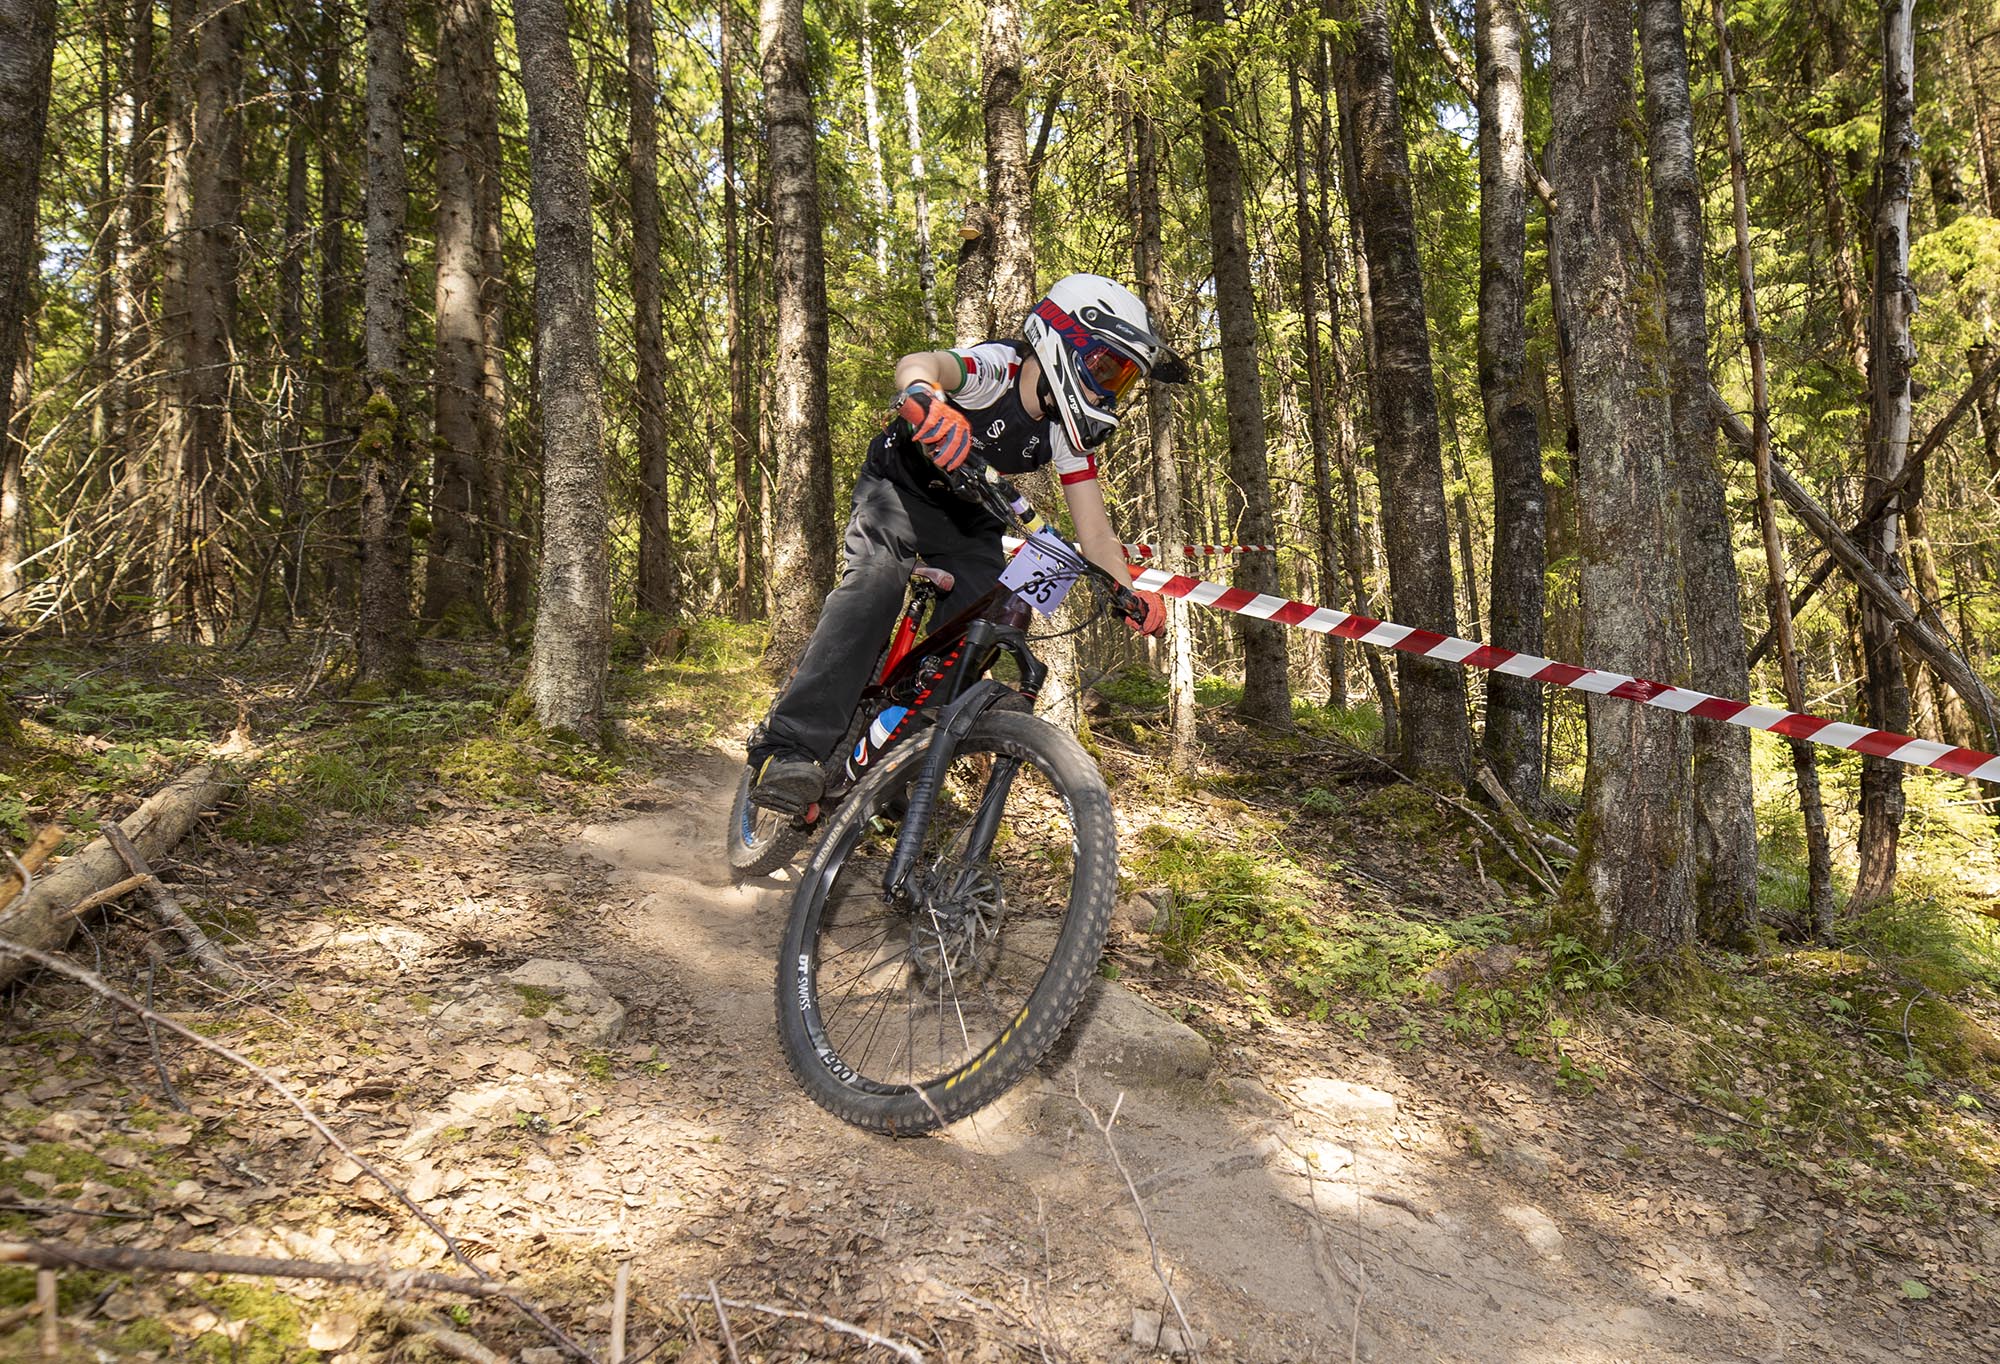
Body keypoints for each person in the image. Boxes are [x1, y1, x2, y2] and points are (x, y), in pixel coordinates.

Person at [746, 273, 1189, 814]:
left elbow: (1095, 532)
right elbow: (923, 362)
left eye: (1122, 381)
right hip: (897, 495)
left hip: (970, 521)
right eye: (1105, 368)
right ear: (1063, 337)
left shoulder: (1066, 434)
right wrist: (927, 398)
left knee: (985, 631)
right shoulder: (996, 371)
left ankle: (892, 761)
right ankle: (789, 747)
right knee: (873, 587)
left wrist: (1130, 592)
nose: (1108, 390)